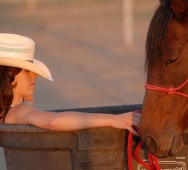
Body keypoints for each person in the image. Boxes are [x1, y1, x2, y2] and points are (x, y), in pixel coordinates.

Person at [0, 33, 141, 135]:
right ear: (8, 76)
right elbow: (53, 122)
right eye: (27, 71)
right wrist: (113, 120)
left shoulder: (6, 110)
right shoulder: (19, 111)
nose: (34, 75)